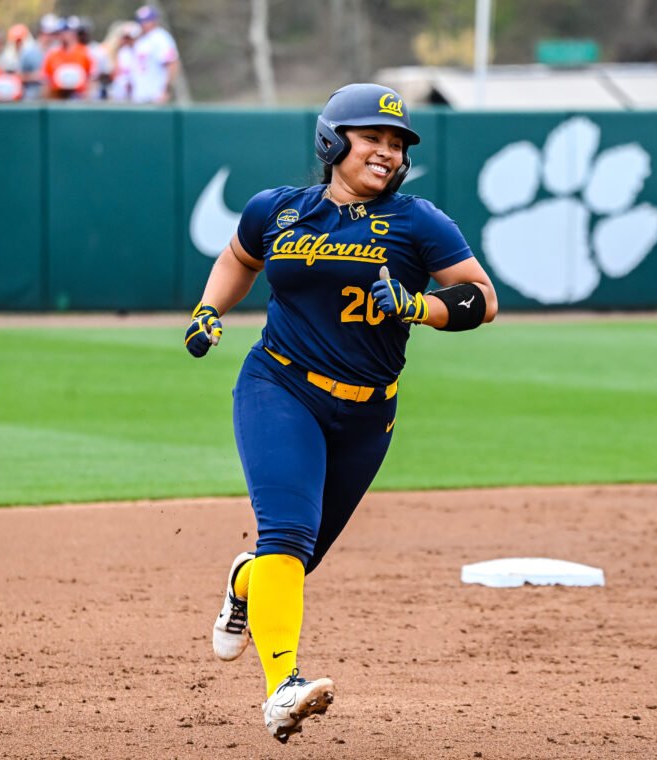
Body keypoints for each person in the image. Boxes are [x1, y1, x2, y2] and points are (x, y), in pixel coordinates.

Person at [185, 83, 498, 743]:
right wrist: (210, 309)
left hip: (366, 416)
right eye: (372, 138)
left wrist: (420, 307)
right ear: (333, 141)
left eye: (397, 143)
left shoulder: (418, 222)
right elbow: (239, 257)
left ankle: (245, 583)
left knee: (295, 560)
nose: (387, 152)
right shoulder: (277, 209)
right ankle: (282, 689)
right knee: (287, 535)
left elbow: (480, 297)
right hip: (279, 387)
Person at [130, 5, 179, 104]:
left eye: (147, 20)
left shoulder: (161, 37)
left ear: (154, 20)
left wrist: (166, 90)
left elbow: (172, 63)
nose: (143, 24)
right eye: (141, 21)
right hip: (140, 95)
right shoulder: (141, 39)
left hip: (155, 95)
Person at [42, 19, 92, 99]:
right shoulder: (52, 54)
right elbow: (47, 80)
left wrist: (87, 97)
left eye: (66, 31)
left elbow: (91, 78)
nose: (63, 35)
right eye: (60, 32)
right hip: (57, 96)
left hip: (79, 97)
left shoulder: (85, 53)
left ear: (74, 33)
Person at [103, 21, 140, 102]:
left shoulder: (131, 52)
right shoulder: (106, 52)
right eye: (124, 37)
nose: (126, 41)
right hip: (113, 94)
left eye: (129, 38)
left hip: (131, 95)